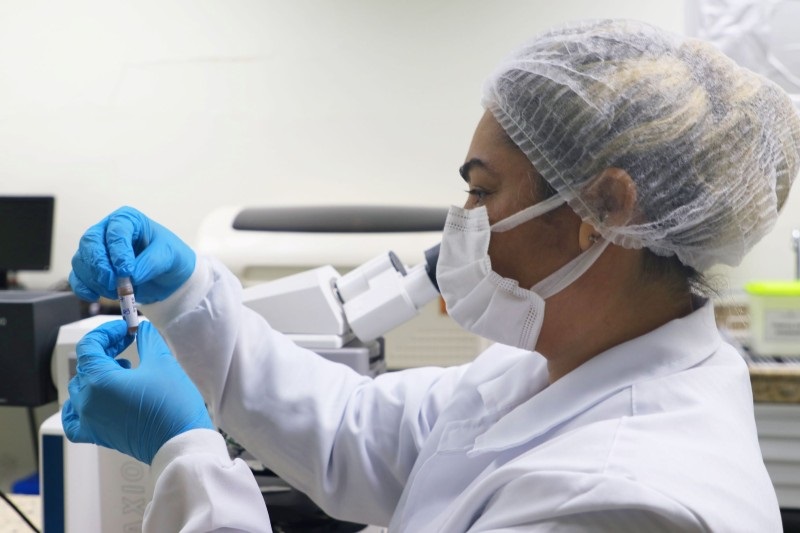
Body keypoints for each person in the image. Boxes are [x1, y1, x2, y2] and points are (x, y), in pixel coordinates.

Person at [65, 19, 800, 532]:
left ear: (603, 208)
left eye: (482, 191)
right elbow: (353, 433)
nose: (464, 220)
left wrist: (186, 456)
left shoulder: (623, 496)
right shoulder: (550, 367)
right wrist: (188, 294)